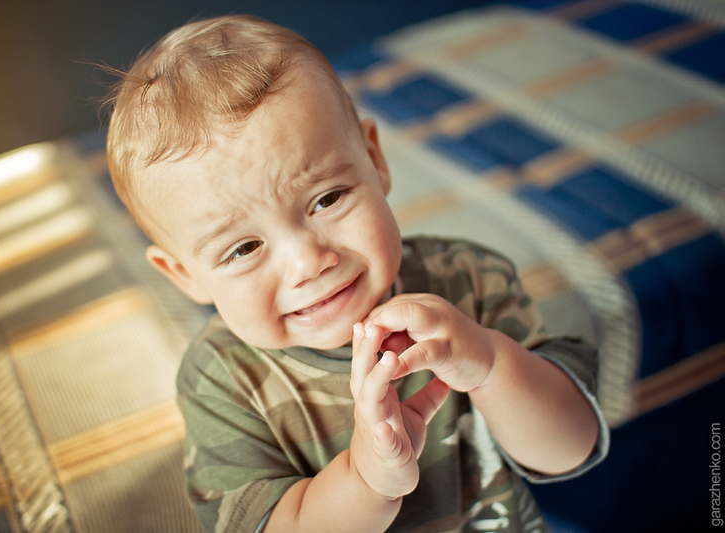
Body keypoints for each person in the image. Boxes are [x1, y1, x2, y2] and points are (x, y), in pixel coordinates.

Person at [105, 14, 609, 533]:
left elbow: (570, 448)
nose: (308, 262)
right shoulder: (223, 382)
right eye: (244, 248)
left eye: (327, 199)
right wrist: (368, 481)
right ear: (183, 274)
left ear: (374, 159)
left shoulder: (470, 279)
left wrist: (488, 363)